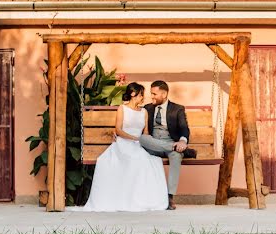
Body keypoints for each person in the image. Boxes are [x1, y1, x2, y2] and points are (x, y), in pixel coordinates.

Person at [74, 83, 168, 212]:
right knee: (134, 159)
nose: (143, 98)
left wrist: (146, 142)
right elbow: (118, 130)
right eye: (141, 95)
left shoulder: (144, 112)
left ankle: (143, 198)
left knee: (152, 161)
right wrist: (134, 138)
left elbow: (145, 132)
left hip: (139, 144)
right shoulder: (122, 109)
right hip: (124, 143)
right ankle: (126, 198)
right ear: (133, 94)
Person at [140, 80, 197, 210]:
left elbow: (184, 128)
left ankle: (170, 196)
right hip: (153, 145)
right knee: (142, 138)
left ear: (164, 94)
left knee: (176, 156)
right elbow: (136, 125)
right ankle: (173, 147)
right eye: (151, 94)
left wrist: (182, 141)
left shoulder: (177, 109)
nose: (152, 97)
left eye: (154, 94)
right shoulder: (147, 108)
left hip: (172, 141)